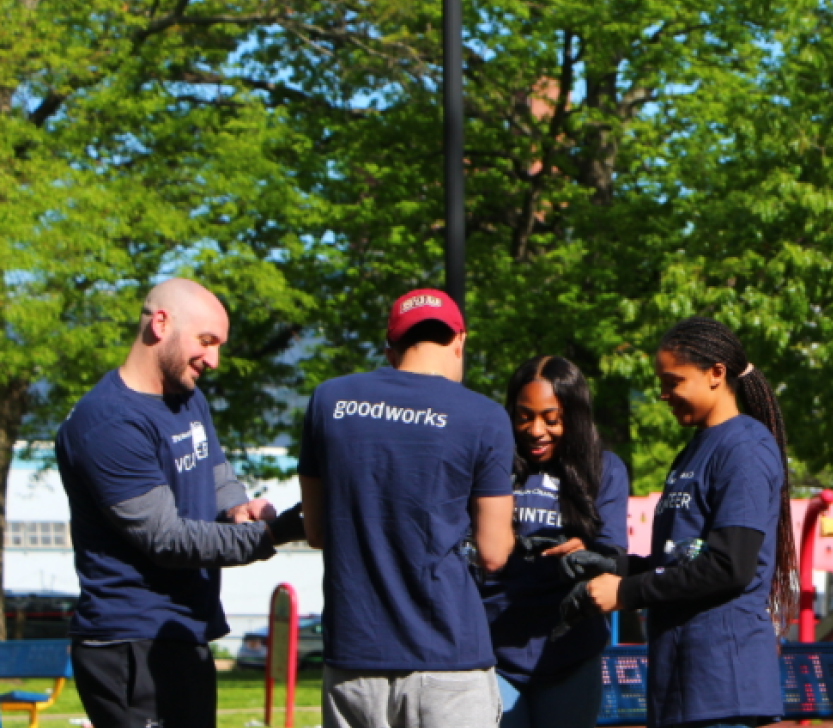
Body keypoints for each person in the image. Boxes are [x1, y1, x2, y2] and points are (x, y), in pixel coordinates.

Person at [57, 277, 298, 728]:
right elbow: (165, 539)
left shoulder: (187, 399)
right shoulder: (109, 423)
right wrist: (273, 535)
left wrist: (237, 508)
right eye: (206, 341)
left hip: (184, 629)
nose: (214, 359)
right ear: (161, 324)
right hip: (131, 642)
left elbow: (214, 471)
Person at [299, 289, 515, 728]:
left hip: (354, 658)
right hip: (448, 656)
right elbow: (494, 552)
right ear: (459, 340)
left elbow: (317, 531)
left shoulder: (328, 401)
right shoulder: (483, 415)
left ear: (391, 349)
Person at [586, 316, 796, 728]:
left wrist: (627, 592)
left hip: (723, 687)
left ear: (716, 373)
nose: (663, 394)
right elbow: (682, 559)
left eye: (674, 381)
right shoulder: (695, 450)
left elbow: (729, 566)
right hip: (681, 685)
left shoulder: (746, 448)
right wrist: (609, 564)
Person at [480, 356, 630, 728]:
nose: (536, 430)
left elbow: (614, 552)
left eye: (552, 418)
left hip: (570, 655)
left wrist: (589, 555)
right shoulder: (490, 466)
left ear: (574, 416)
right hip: (493, 655)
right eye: (524, 416)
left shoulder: (606, 469)